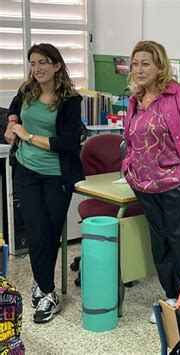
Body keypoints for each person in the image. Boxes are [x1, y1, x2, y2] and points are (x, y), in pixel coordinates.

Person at [122, 41, 180, 323]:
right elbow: (132, 140)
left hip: (176, 184)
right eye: (135, 64)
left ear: (160, 66)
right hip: (145, 186)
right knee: (159, 244)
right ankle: (172, 296)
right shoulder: (135, 99)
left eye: (145, 63)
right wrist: (128, 167)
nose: (138, 69)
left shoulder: (179, 95)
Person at [5, 43, 84, 323]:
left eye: (43, 62)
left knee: (49, 234)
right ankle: (48, 293)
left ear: (57, 66)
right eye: (33, 63)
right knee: (37, 231)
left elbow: (68, 143)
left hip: (56, 177)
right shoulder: (28, 90)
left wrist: (26, 135)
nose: (37, 68)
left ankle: (41, 285)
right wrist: (11, 124)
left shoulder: (70, 101)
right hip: (26, 172)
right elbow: (13, 108)